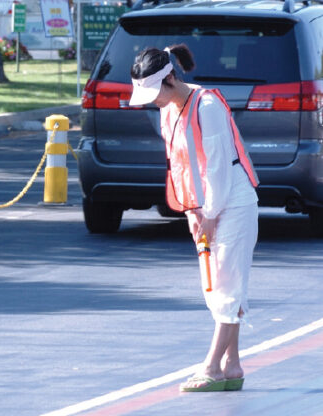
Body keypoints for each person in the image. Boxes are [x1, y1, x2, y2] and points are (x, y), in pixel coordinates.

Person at [129, 44, 259, 392]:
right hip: (207, 204)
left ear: (170, 78)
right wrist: (191, 210)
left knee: (228, 287)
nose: (151, 100)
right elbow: (183, 164)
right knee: (219, 286)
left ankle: (212, 366)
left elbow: (217, 166)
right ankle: (232, 366)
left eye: (154, 92)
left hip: (233, 200)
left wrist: (211, 214)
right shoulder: (170, 109)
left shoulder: (208, 105)